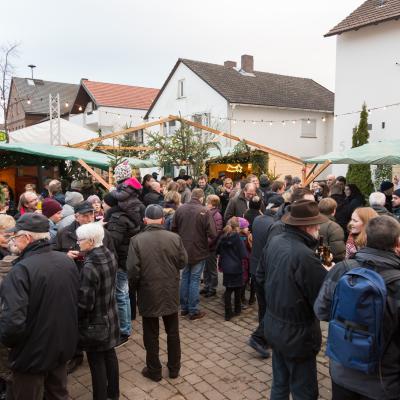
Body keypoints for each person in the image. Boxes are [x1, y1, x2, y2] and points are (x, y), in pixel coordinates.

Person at [314, 216, 400, 400]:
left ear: (365, 238)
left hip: (342, 370)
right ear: (397, 242)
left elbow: (320, 310)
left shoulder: (342, 269)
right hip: (384, 380)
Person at [0, 213, 79, 400]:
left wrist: (9, 345)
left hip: (31, 355)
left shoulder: (21, 270)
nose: (12, 241)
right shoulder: (66, 261)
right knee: (58, 393)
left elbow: (12, 322)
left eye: (15, 236)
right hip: (61, 346)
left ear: (27, 238)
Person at [259, 200, 328, 399]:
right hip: (298, 335)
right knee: (303, 390)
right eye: (317, 225)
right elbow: (322, 302)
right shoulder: (305, 256)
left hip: (274, 325)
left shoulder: (276, 241)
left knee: (279, 383)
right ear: (308, 226)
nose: (318, 228)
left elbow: (261, 276)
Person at [126, 205, 187, 382]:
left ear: (145, 220)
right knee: (173, 332)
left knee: (151, 333)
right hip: (169, 290)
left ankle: (154, 370)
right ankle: (174, 368)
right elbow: (183, 262)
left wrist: (135, 290)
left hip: (148, 291)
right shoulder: (174, 238)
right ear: (162, 220)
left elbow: (132, 271)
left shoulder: (136, 240)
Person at [77, 222, 120, 400]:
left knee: (96, 362)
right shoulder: (108, 253)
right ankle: (113, 394)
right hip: (110, 314)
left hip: (96, 322)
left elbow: (85, 303)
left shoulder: (90, 266)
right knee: (110, 354)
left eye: (81, 239)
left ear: (91, 241)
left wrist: (77, 318)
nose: (78, 242)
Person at [247, 195, 284, 359]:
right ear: (278, 208)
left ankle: (265, 337)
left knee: (263, 306)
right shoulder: (275, 225)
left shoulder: (258, 219)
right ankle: (260, 338)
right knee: (271, 308)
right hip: (266, 271)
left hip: (256, 268)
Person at [172, 188, 216, 320]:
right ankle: (193, 310)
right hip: (199, 250)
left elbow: (173, 228)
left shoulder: (180, 209)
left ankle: (184, 308)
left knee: (185, 277)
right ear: (202, 198)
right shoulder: (204, 211)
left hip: (183, 249)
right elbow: (213, 234)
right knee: (194, 280)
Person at [103, 193, 140, 344]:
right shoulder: (125, 216)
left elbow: (113, 242)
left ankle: (124, 331)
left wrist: (102, 231)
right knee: (124, 294)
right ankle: (125, 325)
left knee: (121, 295)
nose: (102, 205)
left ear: (110, 204)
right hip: (126, 260)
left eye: (104, 202)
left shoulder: (117, 219)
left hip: (120, 262)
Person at [216, 217, 248, 321]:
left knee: (228, 290)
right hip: (236, 267)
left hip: (226, 266)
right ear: (237, 228)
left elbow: (217, 250)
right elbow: (243, 254)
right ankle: (237, 310)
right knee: (238, 288)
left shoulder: (223, 237)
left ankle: (228, 313)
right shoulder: (237, 238)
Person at [201, 195, 223, 298]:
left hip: (211, 246)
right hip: (206, 245)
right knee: (206, 267)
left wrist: (207, 243)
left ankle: (212, 288)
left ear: (212, 204)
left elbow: (216, 232)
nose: (205, 204)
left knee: (212, 268)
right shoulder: (207, 212)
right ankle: (206, 285)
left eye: (207, 202)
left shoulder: (217, 215)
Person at [318, 198, 346, 262]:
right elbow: (338, 253)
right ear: (334, 211)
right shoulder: (334, 227)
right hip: (329, 263)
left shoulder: (311, 223)